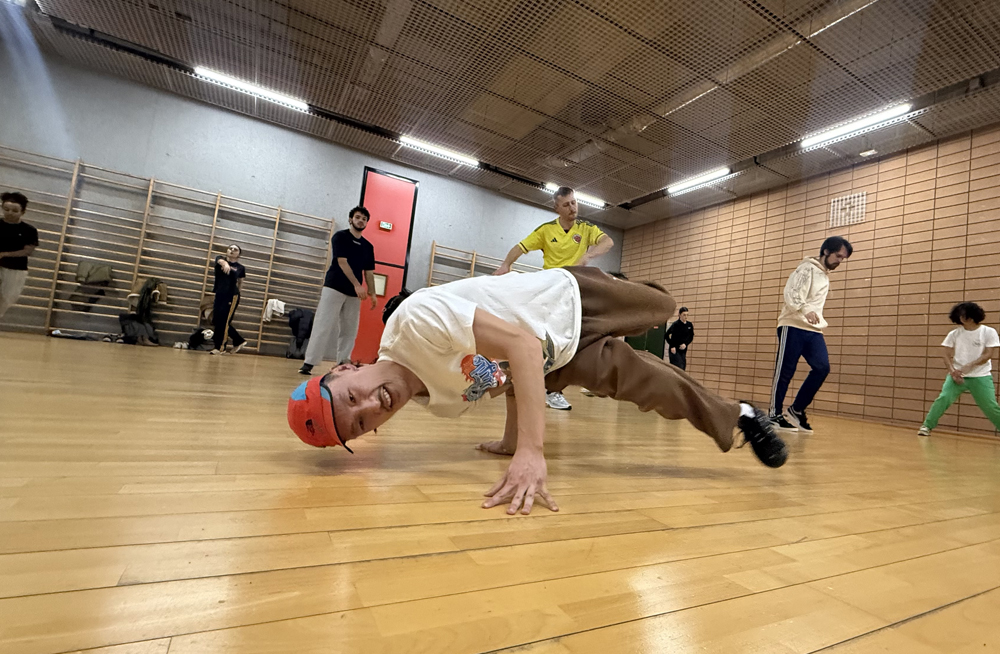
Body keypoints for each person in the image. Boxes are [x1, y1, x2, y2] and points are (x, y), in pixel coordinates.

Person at [287, 267, 788, 516]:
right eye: (361, 423)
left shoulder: (413, 322)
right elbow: (502, 375)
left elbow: (519, 345)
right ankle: (742, 416)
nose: (372, 407)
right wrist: (510, 441)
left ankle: (622, 283)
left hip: (569, 298)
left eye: (353, 398)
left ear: (347, 368)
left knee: (663, 305)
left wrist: (530, 450)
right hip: (558, 359)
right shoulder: (435, 402)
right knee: (656, 387)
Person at [494, 186, 615, 411]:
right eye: (567, 204)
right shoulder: (546, 230)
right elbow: (520, 247)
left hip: (574, 288)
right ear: (556, 207)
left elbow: (608, 242)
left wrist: (589, 254)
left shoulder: (585, 228)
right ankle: (528, 382)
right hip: (550, 287)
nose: (572, 207)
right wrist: (505, 265)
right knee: (543, 338)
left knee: (570, 340)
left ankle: (554, 390)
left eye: (574, 202)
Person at [769, 236, 853, 433]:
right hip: (792, 324)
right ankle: (774, 413)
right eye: (838, 256)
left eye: (843, 258)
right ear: (826, 251)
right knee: (785, 370)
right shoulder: (806, 268)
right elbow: (791, 292)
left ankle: (796, 409)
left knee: (822, 367)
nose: (840, 261)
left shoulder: (824, 274)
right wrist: (804, 309)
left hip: (813, 329)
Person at [299, 206, 377, 375]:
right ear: (350, 219)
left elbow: (369, 272)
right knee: (323, 324)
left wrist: (372, 293)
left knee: (350, 329)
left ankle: (343, 360)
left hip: (354, 295)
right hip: (334, 287)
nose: (361, 220)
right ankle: (309, 362)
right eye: (357, 217)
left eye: (364, 218)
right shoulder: (340, 237)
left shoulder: (368, 246)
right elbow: (342, 262)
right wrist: (357, 284)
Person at [918, 302, 1000, 436]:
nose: (961, 318)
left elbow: (988, 354)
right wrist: (952, 371)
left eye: (964, 315)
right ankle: (927, 426)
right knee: (943, 398)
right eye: (959, 315)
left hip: (980, 375)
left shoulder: (988, 332)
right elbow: (946, 354)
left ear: (972, 316)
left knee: (990, 406)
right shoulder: (954, 334)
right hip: (956, 376)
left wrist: (970, 365)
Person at [0, 192, 38, 320]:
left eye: (14, 210)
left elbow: (27, 251)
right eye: (6, 209)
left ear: (23, 211)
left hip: (15, 269)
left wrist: (5, 254)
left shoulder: (29, 230)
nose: (10, 213)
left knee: (7, 298)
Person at [210, 244, 247, 355]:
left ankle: (220, 347)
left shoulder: (240, 268)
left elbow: (241, 282)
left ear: (238, 254)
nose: (232, 250)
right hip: (219, 294)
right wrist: (225, 263)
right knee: (216, 320)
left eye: (235, 249)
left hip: (231, 296)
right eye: (230, 248)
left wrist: (238, 292)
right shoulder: (219, 260)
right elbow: (219, 259)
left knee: (225, 321)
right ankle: (238, 340)